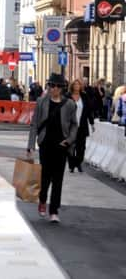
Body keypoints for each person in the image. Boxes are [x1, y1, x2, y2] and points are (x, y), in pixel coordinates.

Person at [27, 73, 78, 223]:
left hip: (62, 146)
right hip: (45, 144)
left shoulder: (69, 104)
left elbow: (75, 125)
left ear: (62, 88)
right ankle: (43, 200)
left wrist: (69, 140)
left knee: (58, 179)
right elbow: (34, 124)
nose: (54, 89)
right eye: (51, 85)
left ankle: (54, 210)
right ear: (48, 86)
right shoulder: (41, 101)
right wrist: (31, 145)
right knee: (45, 177)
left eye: (57, 86)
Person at [66, 79, 94, 173]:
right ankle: (71, 165)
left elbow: (89, 110)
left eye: (78, 84)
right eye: (75, 84)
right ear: (72, 86)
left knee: (81, 147)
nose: (77, 86)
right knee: (70, 147)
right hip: (70, 126)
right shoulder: (67, 96)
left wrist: (92, 123)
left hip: (82, 125)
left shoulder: (84, 96)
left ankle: (78, 162)